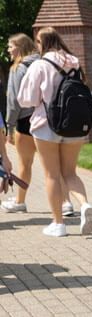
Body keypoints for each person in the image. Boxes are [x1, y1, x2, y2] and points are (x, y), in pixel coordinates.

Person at [17, 27, 92, 237]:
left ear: (43, 43)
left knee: (51, 175)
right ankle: (84, 204)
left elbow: (26, 99)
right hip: (74, 125)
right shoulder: (75, 62)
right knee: (70, 173)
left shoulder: (40, 65)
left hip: (46, 125)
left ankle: (58, 224)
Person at [3, 34, 40, 213]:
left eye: (11, 46)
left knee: (25, 163)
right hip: (47, 119)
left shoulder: (18, 68)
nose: (8, 50)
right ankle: (65, 204)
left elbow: (14, 102)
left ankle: (20, 201)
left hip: (25, 121)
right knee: (52, 166)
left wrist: (9, 127)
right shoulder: (44, 63)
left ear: (20, 47)